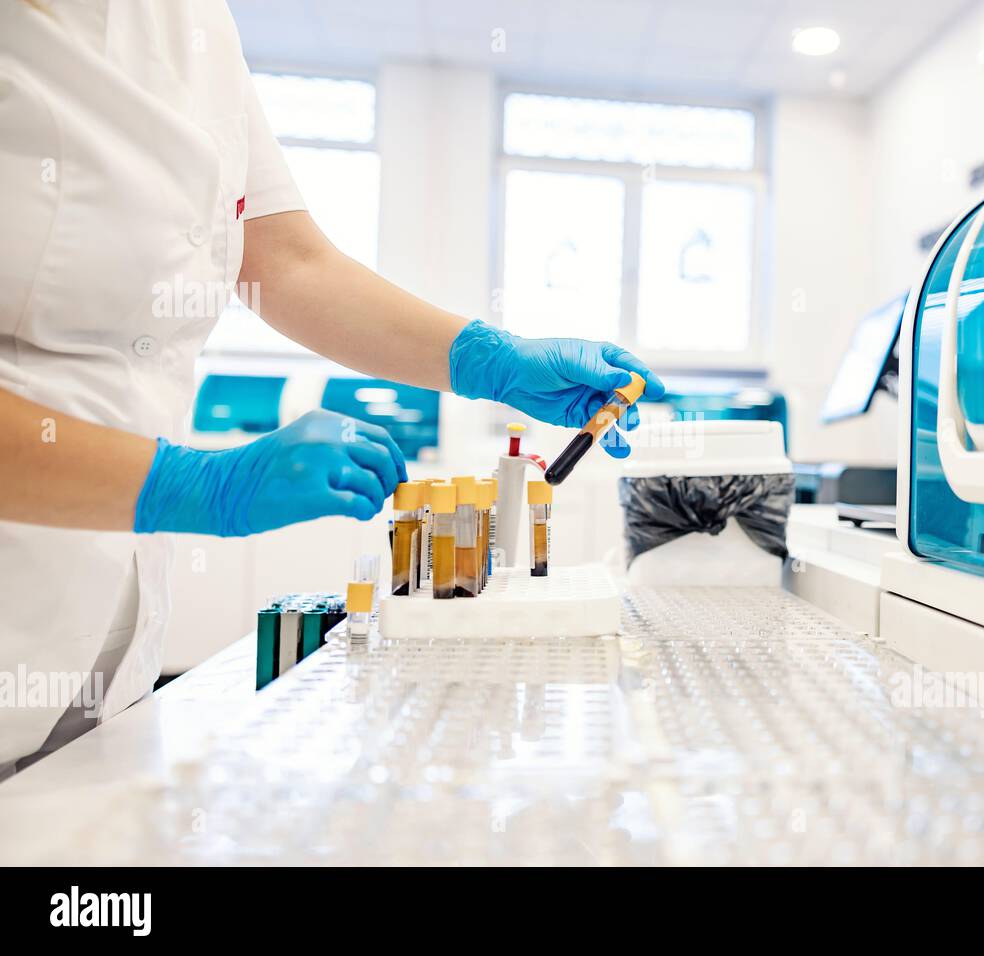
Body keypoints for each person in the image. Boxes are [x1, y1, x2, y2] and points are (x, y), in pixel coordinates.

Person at [0, 0, 664, 774]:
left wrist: (495, 361)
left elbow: (286, 263)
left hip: (104, 643)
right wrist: (199, 486)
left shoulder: (193, 23)